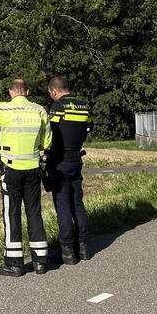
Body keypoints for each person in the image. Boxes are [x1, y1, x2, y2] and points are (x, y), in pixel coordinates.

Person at [0, 79, 53, 277]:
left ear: (11, 92)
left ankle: (14, 263)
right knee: (34, 212)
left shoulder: (1, 110)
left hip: (10, 168)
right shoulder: (39, 110)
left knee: (12, 214)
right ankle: (40, 261)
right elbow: (47, 140)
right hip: (33, 167)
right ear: (26, 91)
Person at [46, 76, 93, 263]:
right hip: (76, 159)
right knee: (77, 204)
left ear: (54, 91)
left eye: (51, 94)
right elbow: (89, 129)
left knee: (63, 204)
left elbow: (50, 132)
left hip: (60, 160)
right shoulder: (84, 107)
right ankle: (83, 247)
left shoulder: (58, 107)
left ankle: (67, 251)